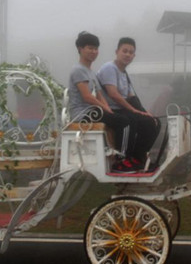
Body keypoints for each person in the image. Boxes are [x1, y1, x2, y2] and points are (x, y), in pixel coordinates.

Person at [67, 31, 136, 172]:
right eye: (90, 48)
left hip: (93, 111)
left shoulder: (90, 71)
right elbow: (87, 97)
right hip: (82, 114)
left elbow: (99, 94)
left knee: (125, 118)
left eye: (96, 48)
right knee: (123, 121)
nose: (94, 51)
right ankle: (121, 159)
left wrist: (107, 109)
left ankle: (122, 155)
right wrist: (104, 109)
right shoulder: (78, 70)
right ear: (80, 49)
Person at [97, 37, 160, 170]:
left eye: (131, 52)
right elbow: (114, 95)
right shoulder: (110, 68)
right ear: (117, 51)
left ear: (134, 55)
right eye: (124, 51)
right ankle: (122, 160)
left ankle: (138, 157)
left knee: (153, 122)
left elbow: (132, 97)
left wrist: (145, 112)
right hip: (110, 109)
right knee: (129, 120)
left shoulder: (124, 73)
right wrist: (134, 110)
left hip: (122, 108)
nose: (128, 55)